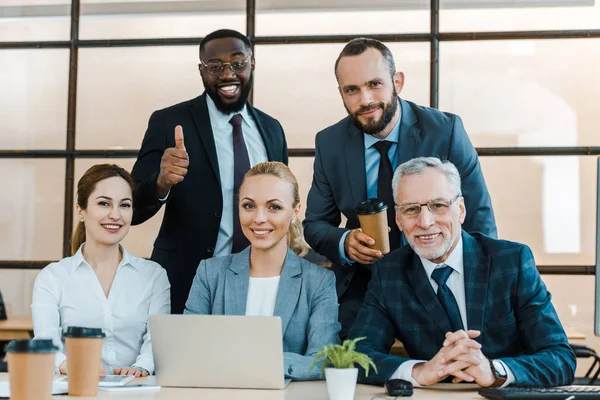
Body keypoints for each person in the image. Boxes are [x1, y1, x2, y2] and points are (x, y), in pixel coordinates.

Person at [303, 37, 497, 338]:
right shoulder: (329, 143)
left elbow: (479, 219)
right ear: (341, 93)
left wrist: (474, 292)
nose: (365, 99)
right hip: (364, 284)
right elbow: (315, 225)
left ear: (398, 81)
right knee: (351, 363)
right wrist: (345, 242)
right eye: (351, 89)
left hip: (437, 275)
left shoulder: (446, 131)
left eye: (375, 84)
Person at [347, 157, 575, 387]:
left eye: (438, 205)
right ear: (398, 219)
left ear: (461, 210)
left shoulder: (511, 262)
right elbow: (354, 356)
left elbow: (560, 359)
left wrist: (495, 371)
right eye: (411, 210)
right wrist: (420, 371)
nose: (425, 222)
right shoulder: (389, 274)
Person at [131, 29, 288, 314]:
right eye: (214, 66)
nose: (227, 74)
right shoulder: (169, 121)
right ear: (201, 70)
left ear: (252, 64)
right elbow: (134, 208)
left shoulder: (272, 129)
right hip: (185, 279)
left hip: (258, 282)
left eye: (238, 63)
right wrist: (161, 182)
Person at [185, 161, 340, 380]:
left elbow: (323, 361)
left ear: (295, 211)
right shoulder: (210, 273)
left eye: (274, 207)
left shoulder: (319, 281)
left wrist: (256, 361)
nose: (259, 218)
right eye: (249, 206)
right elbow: (189, 351)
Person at [32, 164, 170, 377]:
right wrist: (70, 366)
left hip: (136, 391)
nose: (115, 215)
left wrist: (140, 368)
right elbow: (45, 342)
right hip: (75, 388)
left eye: (125, 205)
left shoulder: (154, 276)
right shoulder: (52, 277)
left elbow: (157, 342)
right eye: (104, 203)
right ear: (81, 210)